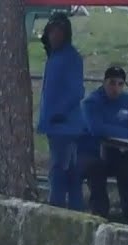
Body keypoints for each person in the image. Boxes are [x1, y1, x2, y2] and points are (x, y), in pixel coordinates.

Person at [80, 66, 128, 224]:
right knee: (96, 169)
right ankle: (99, 216)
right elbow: (97, 128)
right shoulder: (91, 102)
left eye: (120, 84)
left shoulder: (126, 100)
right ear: (104, 82)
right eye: (112, 83)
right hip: (90, 152)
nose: (116, 88)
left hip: (115, 152)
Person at [37, 12, 87, 210]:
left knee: (61, 170)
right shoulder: (55, 56)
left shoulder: (71, 57)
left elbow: (77, 90)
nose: (53, 36)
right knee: (67, 170)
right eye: (51, 32)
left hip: (65, 125)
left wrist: (60, 112)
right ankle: (72, 208)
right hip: (57, 124)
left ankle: (57, 207)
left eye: (58, 32)